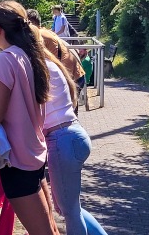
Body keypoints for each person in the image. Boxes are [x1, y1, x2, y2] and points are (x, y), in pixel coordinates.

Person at [0, 0, 58, 235]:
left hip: (19, 163)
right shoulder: (27, 55)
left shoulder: (5, 58)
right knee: (50, 230)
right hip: (34, 156)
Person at [43, 49, 108, 235]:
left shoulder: (40, 70)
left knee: (70, 211)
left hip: (62, 140)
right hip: (73, 135)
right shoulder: (52, 65)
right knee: (71, 208)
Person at [28, 9, 85, 114]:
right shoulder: (45, 31)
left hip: (70, 77)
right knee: (70, 116)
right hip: (75, 75)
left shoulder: (40, 35)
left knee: (66, 116)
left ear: (30, 23)